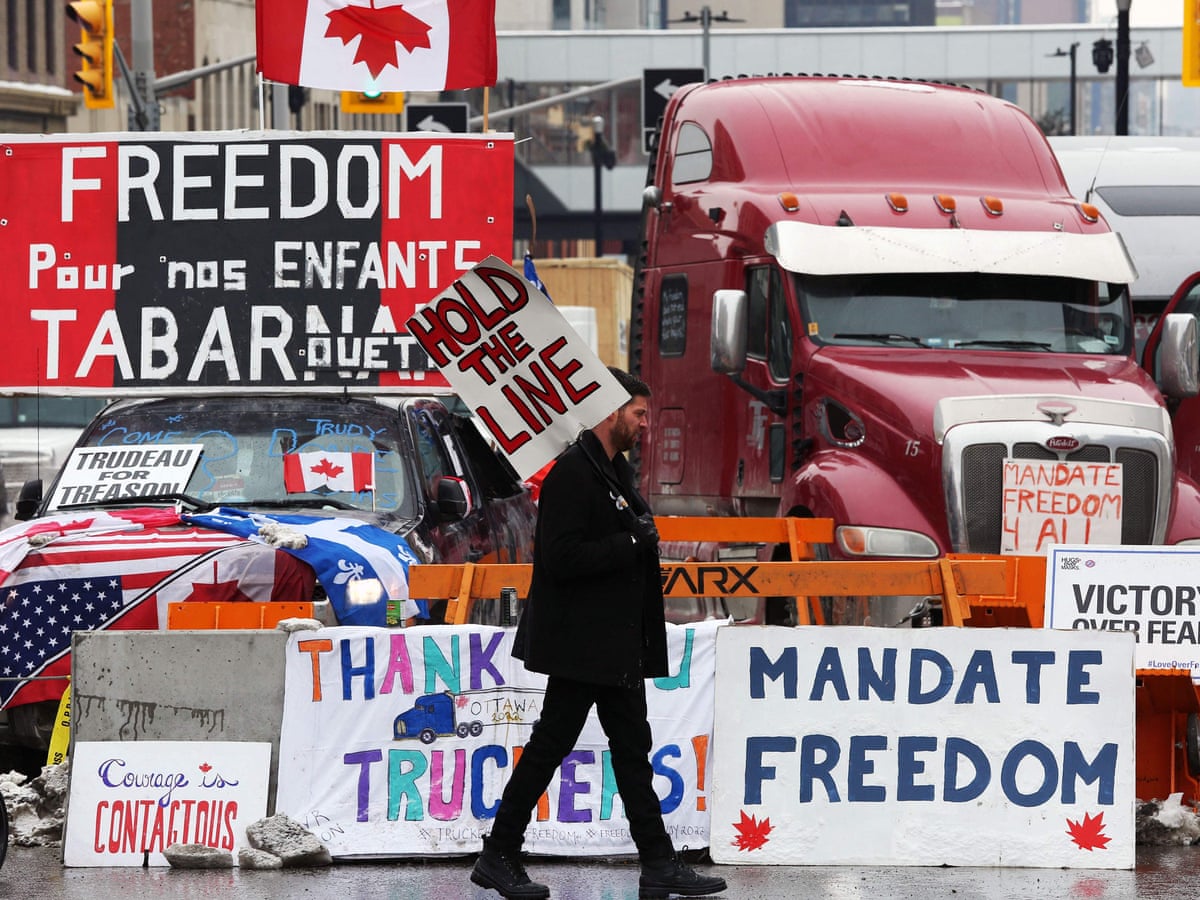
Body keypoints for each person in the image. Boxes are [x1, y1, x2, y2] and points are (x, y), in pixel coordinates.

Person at [470, 367, 726, 900]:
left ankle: (658, 862)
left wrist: (636, 539)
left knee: (633, 749)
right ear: (610, 412)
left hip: (616, 643)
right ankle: (498, 854)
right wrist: (631, 544)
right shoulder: (573, 474)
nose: (645, 423)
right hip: (582, 646)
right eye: (638, 413)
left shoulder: (614, 471)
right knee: (551, 745)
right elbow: (561, 559)